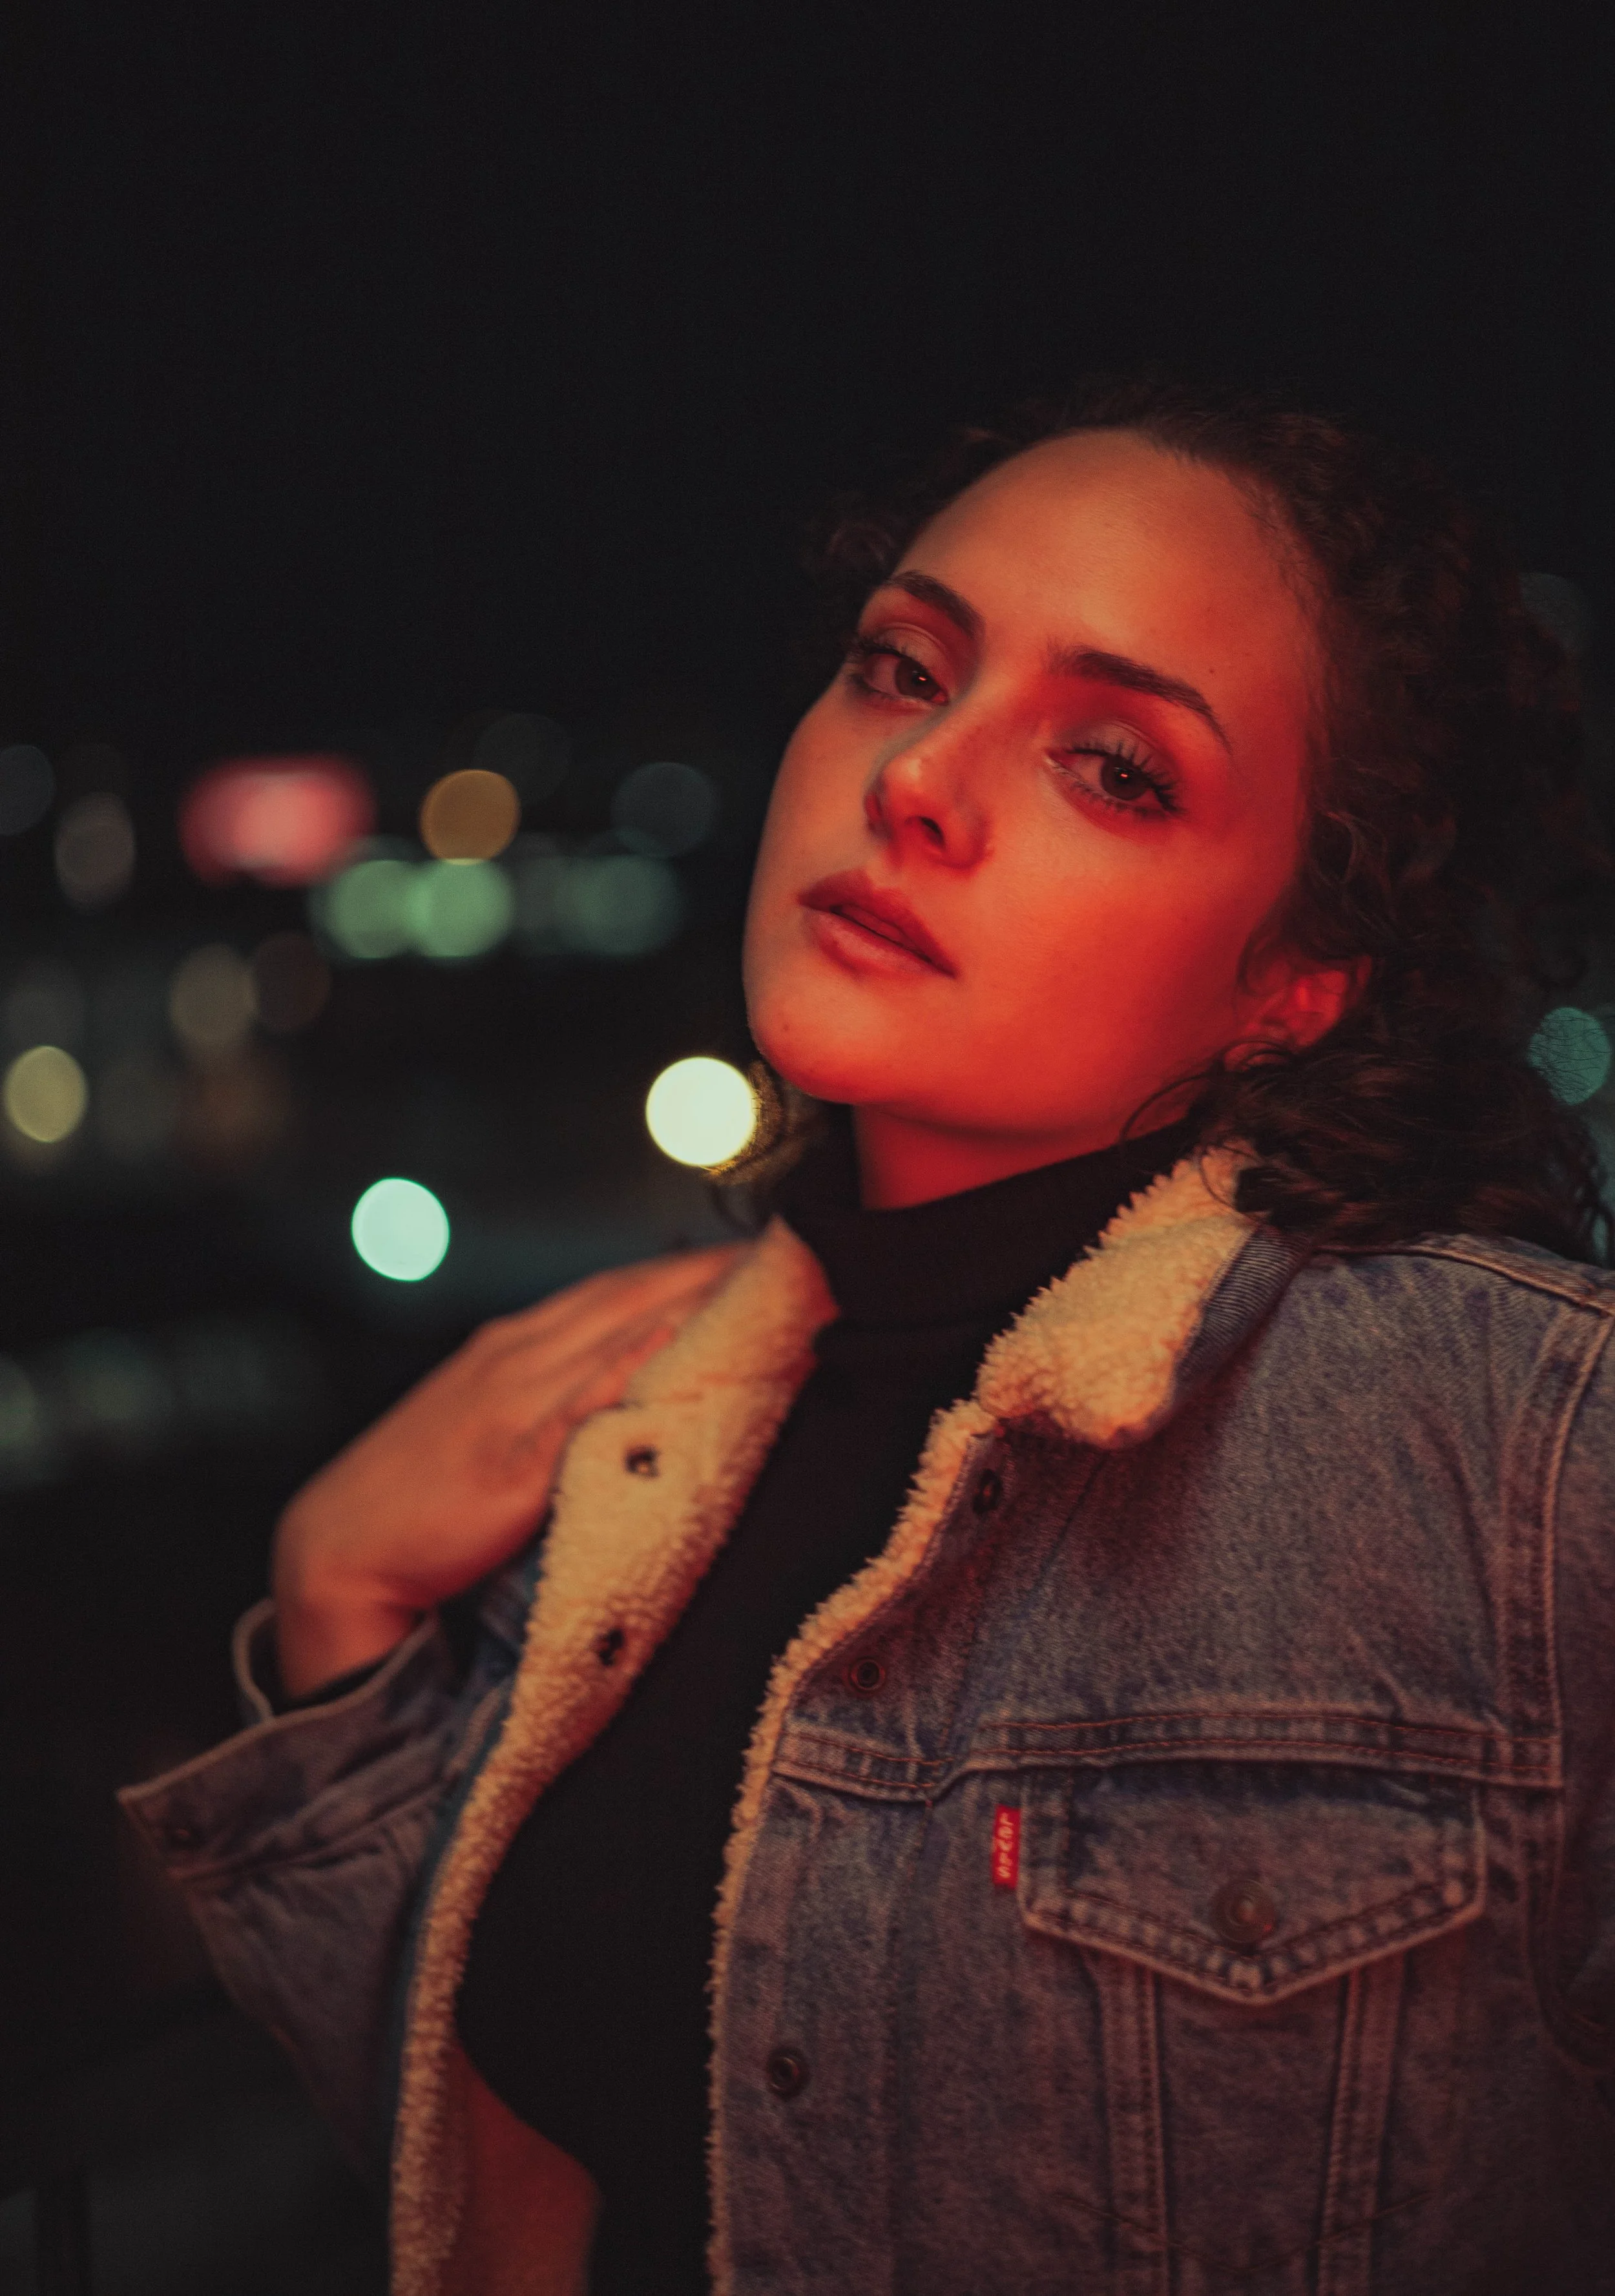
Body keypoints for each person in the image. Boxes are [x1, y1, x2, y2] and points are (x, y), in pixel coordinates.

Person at [123, 376, 1615, 2296]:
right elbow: (539, 2165)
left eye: (1117, 768)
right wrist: (334, 1623)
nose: (914, 778)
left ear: (1294, 983)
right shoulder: (643, 1433)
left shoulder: (1520, 1458)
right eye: (905, 669)